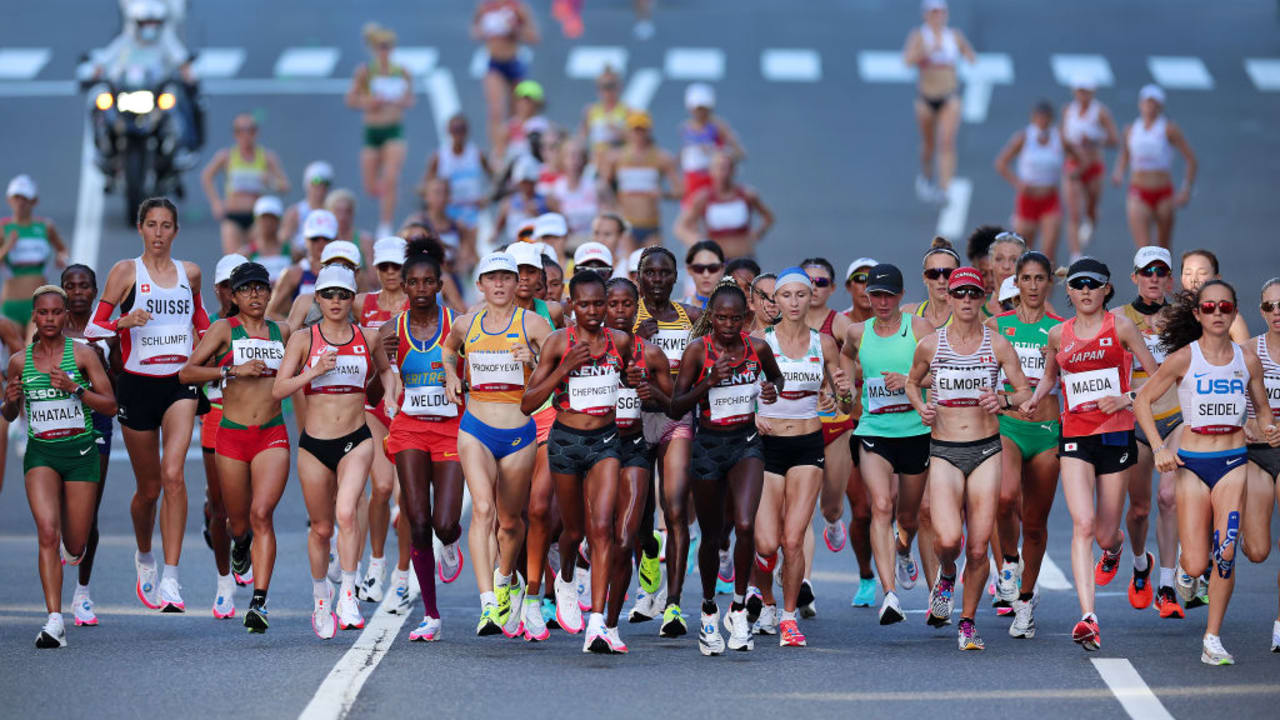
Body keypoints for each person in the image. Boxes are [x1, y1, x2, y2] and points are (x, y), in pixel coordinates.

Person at [1135, 280, 1280, 665]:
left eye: (1225, 307)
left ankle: (1212, 638)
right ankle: (1189, 568)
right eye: (1210, 307)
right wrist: (1159, 448)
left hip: (1233, 463)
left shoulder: (1246, 360)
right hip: (1193, 466)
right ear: (1198, 314)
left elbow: (1262, 407)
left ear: (1234, 312)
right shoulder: (1184, 358)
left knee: (1227, 553)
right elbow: (1143, 401)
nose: (1218, 313)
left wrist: (1268, 427)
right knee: (1197, 563)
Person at [1019, 257, 1158, 651]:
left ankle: (1116, 549)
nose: (1085, 291)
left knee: (1103, 533)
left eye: (1093, 284)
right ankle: (1088, 618)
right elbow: (1050, 377)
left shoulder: (1122, 326)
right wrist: (1034, 399)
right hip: (1075, 436)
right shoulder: (1058, 334)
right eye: (1078, 284)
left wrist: (1126, 398)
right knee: (1082, 525)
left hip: (1115, 435)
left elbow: (1157, 377)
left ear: (1106, 289)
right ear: (1069, 290)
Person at [86, 197, 210, 613]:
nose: (158, 233)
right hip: (137, 385)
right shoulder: (126, 272)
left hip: (179, 384)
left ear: (176, 231)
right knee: (149, 489)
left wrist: (213, 351)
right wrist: (123, 322)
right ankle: (144, 556)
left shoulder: (190, 273)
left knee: (174, 474)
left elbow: (203, 323)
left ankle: (172, 579)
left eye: (166, 225)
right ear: (140, 228)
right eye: (152, 225)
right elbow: (93, 327)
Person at [905, 266, 1031, 650]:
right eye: (958, 293)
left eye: (973, 294)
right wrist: (921, 408)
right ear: (949, 297)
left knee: (978, 547)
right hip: (944, 450)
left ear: (981, 298)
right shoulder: (931, 345)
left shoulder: (998, 345)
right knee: (948, 540)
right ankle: (947, 574)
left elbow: (1025, 392)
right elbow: (912, 382)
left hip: (986, 449)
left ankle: (967, 622)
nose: (965, 300)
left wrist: (1003, 400)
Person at [522, 271, 637, 652]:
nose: (592, 311)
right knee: (572, 531)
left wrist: (636, 381)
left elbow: (632, 379)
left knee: (601, 528)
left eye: (598, 304)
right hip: (566, 442)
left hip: (606, 442)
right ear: (571, 306)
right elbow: (527, 403)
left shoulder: (620, 341)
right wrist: (563, 368)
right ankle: (567, 580)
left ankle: (598, 624)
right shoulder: (558, 342)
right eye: (584, 304)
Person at [441, 251, 553, 636]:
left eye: (507, 277)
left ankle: (506, 577)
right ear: (481, 285)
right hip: (476, 428)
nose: (500, 284)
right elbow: (448, 349)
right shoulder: (467, 322)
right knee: (483, 509)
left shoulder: (533, 323)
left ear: (516, 283)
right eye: (493, 278)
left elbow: (558, 365)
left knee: (510, 521)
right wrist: (451, 376)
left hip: (519, 433)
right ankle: (488, 602)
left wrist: (533, 358)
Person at [273, 265, 389, 637]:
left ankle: (349, 594)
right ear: (318, 299)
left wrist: (393, 396)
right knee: (322, 529)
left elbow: (386, 371)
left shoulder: (368, 336)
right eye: (329, 295)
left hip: (356, 438)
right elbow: (279, 389)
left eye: (343, 295)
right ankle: (322, 597)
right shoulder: (303, 339)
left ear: (352, 299)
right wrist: (313, 371)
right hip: (315, 444)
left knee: (347, 513)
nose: (336, 301)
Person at [670, 279, 782, 654]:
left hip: (746, 443)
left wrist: (773, 389)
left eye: (735, 319)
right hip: (707, 447)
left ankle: (737, 608)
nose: (728, 325)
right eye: (721, 318)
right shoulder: (697, 351)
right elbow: (676, 406)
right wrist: (708, 382)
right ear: (711, 317)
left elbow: (776, 376)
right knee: (713, 535)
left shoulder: (758, 348)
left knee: (746, 524)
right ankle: (707, 609)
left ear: (745, 318)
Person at [179, 262, 289, 632]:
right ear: (235, 297)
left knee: (262, 513)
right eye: (246, 289)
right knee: (237, 521)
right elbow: (187, 372)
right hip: (231, 435)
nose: (254, 294)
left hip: (272, 434)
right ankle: (240, 544)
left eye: (261, 287)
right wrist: (230, 371)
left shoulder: (284, 331)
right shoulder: (224, 329)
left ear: (269, 293)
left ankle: (259, 602)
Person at [4, 285, 117, 648]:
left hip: (80, 453)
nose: (50, 318)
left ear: (66, 316)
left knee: (74, 542)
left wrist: (75, 388)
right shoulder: (19, 362)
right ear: (34, 317)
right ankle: (54, 621)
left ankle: (73, 551)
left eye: (56, 312)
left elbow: (110, 405)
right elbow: (9, 415)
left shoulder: (82, 355)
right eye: (43, 313)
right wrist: (9, 402)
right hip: (42, 454)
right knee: (47, 534)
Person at [753, 269, 850, 647]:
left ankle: (789, 617)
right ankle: (767, 601)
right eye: (786, 295)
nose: (794, 303)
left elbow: (845, 403)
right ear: (775, 301)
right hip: (768, 445)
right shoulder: (761, 341)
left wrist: (842, 393)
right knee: (766, 543)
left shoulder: (823, 344)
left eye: (801, 295)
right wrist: (753, 414)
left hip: (808, 444)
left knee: (793, 539)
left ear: (811, 298)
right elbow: (738, 390)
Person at [376, 240, 466, 641]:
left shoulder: (458, 326)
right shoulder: (390, 331)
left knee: (444, 523)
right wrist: (383, 360)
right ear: (404, 286)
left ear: (440, 285)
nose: (422, 289)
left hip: (450, 428)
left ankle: (450, 542)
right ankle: (431, 615)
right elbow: (373, 391)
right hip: (410, 428)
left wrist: (459, 382)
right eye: (414, 282)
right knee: (417, 520)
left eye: (429, 281)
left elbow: (475, 375)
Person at [842, 263, 938, 625]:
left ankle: (905, 549)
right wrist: (846, 386)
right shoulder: (857, 332)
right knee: (881, 505)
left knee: (909, 517)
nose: (882, 302)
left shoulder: (920, 328)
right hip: (874, 430)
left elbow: (941, 370)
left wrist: (910, 380)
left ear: (901, 296)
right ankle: (890, 595)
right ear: (868, 296)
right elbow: (846, 355)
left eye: (889, 295)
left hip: (914, 432)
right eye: (876, 295)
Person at [988, 251, 1066, 636]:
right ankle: (1008, 561)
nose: (1033, 286)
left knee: (1035, 524)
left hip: (1047, 431)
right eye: (1026, 279)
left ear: (1049, 282)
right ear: (1015, 283)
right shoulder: (996, 326)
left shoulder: (1061, 330)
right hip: (1007, 426)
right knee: (1004, 497)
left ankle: (1025, 599)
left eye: (1040, 279)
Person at [628, 246, 703, 634]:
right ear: (639, 277)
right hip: (636, 420)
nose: (657, 279)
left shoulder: (692, 318)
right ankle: (648, 554)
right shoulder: (627, 315)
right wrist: (633, 338)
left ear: (675, 277)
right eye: (650, 273)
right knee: (639, 516)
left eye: (664, 273)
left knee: (674, 508)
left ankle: (673, 604)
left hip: (677, 418)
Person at [1115, 246, 1185, 618]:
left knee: (1169, 498)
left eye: (1161, 272)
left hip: (1176, 416)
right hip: (1135, 420)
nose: (1154, 278)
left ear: (1170, 279)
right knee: (1140, 509)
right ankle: (1141, 563)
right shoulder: (1117, 319)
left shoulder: (1185, 319)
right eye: (1147, 272)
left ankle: (1167, 585)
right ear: (1135, 277)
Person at [602, 277, 672, 643]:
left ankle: (649, 550)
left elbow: (673, 404)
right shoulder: (586, 347)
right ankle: (596, 608)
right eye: (612, 304)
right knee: (603, 531)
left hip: (635, 445)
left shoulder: (651, 353)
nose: (619, 311)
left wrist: (650, 392)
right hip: (595, 447)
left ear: (636, 307)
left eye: (626, 304)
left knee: (631, 534)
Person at [351, 238, 409, 604]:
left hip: (410, 404)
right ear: (375, 268)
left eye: (397, 267)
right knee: (382, 487)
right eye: (384, 267)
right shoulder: (362, 303)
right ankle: (376, 564)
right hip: (373, 404)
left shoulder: (421, 303)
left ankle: (403, 573)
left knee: (408, 498)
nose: (390, 273)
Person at [59, 265, 116, 627]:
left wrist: (100, 362)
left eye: (84, 286)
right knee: (60, 513)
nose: (77, 291)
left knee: (89, 511)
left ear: (95, 291)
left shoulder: (108, 332)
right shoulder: (51, 329)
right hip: (58, 420)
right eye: (70, 286)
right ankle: (54, 592)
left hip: (96, 421)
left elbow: (121, 385)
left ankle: (82, 593)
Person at [197, 254, 246, 620]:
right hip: (216, 416)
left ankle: (243, 545)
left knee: (253, 507)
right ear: (218, 289)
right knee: (219, 507)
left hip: (256, 420)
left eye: (242, 285)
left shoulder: (265, 327)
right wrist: (221, 369)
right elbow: (187, 371)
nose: (235, 292)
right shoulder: (207, 327)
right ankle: (223, 582)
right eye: (229, 286)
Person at [902, 0, 975, 204]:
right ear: (926, 15)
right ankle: (927, 176)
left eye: (941, 12)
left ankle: (945, 187)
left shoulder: (954, 36)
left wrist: (964, 54)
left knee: (947, 142)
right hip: (926, 98)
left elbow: (971, 56)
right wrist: (926, 52)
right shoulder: (919, 36)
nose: (938, 17)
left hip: (949, 97)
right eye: (933, 13)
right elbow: (906, 60)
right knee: (929, 144)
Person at [346, 23, 414, 239]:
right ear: (374, 49)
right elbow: (351, 99)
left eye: (387, 46)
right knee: (371, 187)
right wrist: (368, 102)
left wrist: (400, 101)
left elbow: (410, 99)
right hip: (372, 131)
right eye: (380, 47)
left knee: (391, 176)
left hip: (393, 130)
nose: (384, 51)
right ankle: (387, 200)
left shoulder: (401, 72)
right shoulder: (365, 72)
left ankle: (385, 223)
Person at [1241, 278, 1280, 652]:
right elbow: (1225, 396)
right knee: (1257, 551)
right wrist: (1242, 425)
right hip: (1258, 453)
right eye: (1270, 306)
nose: (1277, 312)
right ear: (1261, 312)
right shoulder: (1249, 351)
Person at [1112, 84, 1197, 249]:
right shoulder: (1131, 130)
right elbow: (1125, 154)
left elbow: (1191, 159)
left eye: (1154, 103)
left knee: (1163, 248)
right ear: (1140, 104)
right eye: (1147, 102)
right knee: (1144, 250)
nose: (1150, 107)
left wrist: (1186, 189)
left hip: (1163, 194)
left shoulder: (1168, 129)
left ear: (1160, 106)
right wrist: (1119, 172)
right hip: (1138, 193)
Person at [995, 102, 1079, 262]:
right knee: (1024, 252)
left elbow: (1076, 157)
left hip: (1050, 198)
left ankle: (1048, 278)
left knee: (1048, 253)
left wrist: (1072, 172)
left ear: (1051, 119)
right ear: (1033, 118)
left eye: (1046, 118)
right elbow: (1001, 163)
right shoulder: (1024, 137)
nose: (1042, 121)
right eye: (1039, 117)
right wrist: (1017, 183)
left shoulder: (1058, 137)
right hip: (1028, 198)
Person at [201, 115, 290, 254]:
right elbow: (207, 176)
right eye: (240, 131)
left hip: (257, 218)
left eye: (250, 130)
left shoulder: (266, 157)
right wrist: (215, 202)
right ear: (235, 134)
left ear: (256, 132)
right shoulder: (227, 156)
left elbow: (285, 186)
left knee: (258, 258)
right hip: (233, 216)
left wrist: (271, 182)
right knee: (233, 260)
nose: (246, 135)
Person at [599, 110, 681, 247]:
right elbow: (603, 187)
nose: (638, 135)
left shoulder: (661, 158)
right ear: (628, 132)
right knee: (628, 260)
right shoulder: (616, 157)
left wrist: (663, 194)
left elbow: (680, 191)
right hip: (626, 224)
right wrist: (613, 206)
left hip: (651, 224)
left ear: (648, 131)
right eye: (634, 130)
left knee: (654, 259)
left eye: (642, 130)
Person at [472, 1, 540, 158]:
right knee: (495, 110)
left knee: (516, 111)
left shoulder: (517, 8)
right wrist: (485, 31)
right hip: (494, 63)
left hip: (514, 62)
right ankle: (497, 150)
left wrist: (515, 29)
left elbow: (534, 37)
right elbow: (474, 30)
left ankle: (514, 146)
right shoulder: (486, 7)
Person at [675, 153, 774, 260]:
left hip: (744, 258)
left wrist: (756, 235)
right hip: (717, 260)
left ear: (733, 170)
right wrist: (698, 242)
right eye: (718, 168)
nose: (722, 173)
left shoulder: (747, 195)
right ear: (711, 171)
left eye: (726, 168)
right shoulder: (704, 198)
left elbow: (769, 218)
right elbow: (681, 227)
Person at [3, 175, 68, 334]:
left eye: (25, 198)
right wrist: (6, 247)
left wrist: (61, 257)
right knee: (14, 349)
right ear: (9, 200)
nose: (20, 203)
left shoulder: (45, 227)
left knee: (32, 348)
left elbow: (62, 249)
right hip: (11, 304)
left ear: (34, 201)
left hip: (39, 304)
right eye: (16, 198)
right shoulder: (3, 228)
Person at [1061, 77, 1119, 258]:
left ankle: (1090, 221)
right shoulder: (1068, 111)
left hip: (1093, 166)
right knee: (1073, 212)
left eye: (1086, 91)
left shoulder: (1100, 112)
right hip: (1074, 166)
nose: (1082, 95)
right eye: (1080, 91)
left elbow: (1114, 139)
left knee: (1091, 206)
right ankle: (1075, 255)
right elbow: (1062, 137)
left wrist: (1094, 139)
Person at [678, 84, 745, 204]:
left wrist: (717, 154)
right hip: (692, 182)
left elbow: (740, 153)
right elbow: (685, 154)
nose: (700, 113)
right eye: (697, 109)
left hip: (714, 181)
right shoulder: (685, 128)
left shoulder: (719, 126)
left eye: (703, 109)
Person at [427, 113, 493, 234]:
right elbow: (426, 185)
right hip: (449, 212)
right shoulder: (440, 156)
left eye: (461, 129)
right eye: (455, 130)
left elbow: (495, 179)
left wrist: (487, 198)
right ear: (449, 131)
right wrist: (437, 198)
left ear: (467, 131)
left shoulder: (477, 154)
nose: (458, 134)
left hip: (471, 211)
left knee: (470, 243)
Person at [1180, 249, 1250, 343]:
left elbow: (1246, 351)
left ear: (1217, 278)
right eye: (1188, 273)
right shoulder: (1173, 317)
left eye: (1202, 273)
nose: (1194, 279)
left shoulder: (1230, 319)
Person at [549, 139, 599, 253]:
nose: (574, 160)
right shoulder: (554, 191)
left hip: (592, 247)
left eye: (578, 156)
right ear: (562, 159)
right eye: (570, 155)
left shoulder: (597, 188)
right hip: (567, 249)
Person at [903, 237, 961, 329]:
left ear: (958, 276)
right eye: (934, 274)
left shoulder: (969, 318)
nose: (941, 281)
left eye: (948, 273)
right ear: (925, 277)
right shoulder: (907, 314)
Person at [326, 189, 377, 291]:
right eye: (338, 211)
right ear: (329, 213)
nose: (342, 217)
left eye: (347, 211)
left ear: (353, 213)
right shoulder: (322, 240)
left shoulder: (365, 241)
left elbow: (375, 279)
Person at [579, 66, 630, 166]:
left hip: (618, 160)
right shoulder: (590, 111)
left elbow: (636, 141)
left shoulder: (628, 111)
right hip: (595, 159)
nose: (607, 91)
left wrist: (619, 132)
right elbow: (582, 138)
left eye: (611, 86)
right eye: (603, 86)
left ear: (618, 87)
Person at [496, 156, 550, 244]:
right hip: (514, 246)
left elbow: (555, 225)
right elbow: (495, 232)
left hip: (539, 245)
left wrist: (537, 215)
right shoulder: (507, 203)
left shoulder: (547, 201)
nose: (526, 186)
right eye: (524, 182)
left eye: (529, 182)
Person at [280, 161, 333, 250]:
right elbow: (283, 240)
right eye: (316, 182)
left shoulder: (334, 211)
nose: (320, 188)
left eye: (325, 184)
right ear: (307, 184)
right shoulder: (295, 212)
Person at [246, 196, 292, 283]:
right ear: (256, 221)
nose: (268, 223)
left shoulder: (292, 252)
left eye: (272, 218)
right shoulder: (246, 254)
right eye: (264, 218)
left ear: (279, 221)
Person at [684, 240, 725, 309]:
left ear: (722, 269)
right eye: (699, 268)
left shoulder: (736, 308)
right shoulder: (676, 310)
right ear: (689, 270)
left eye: (713, 268)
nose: (706, 275)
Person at [843, 257, 878, 322]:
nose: (867, 287)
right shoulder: (836, 323)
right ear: (848, 286)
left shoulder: (895, 323)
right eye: (860, 279)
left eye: (873, 280)